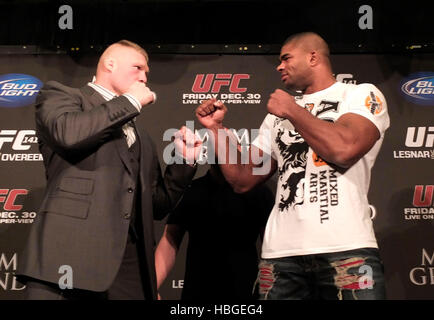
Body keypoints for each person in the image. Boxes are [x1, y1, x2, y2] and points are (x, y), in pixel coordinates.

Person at [195, 32, 390, 300]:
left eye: (286, 58)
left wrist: (293, 110)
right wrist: (216, 130)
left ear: (313, 57)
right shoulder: (276, 116)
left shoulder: (358, 94)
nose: (279, 66)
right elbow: (242, 179)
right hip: (281, 257)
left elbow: (344, 150)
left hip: (347, 249)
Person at [16, 40, 201, 300]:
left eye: (147, 73)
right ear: (110, 64)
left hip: (129, 269)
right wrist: (131, 102)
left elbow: (157, 205)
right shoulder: (62, 95)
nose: (144, 77)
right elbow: (69, 134)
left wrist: (185, 160)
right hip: (67, 261)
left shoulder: (142, 138)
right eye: (138, 68)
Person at [154, 164, 274, 300]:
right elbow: (170, 240)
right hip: (196, 294)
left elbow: (270, 250)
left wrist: (272, 293)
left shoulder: (259, 193)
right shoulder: (191, 190)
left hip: (244, 294)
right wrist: (152, 286)